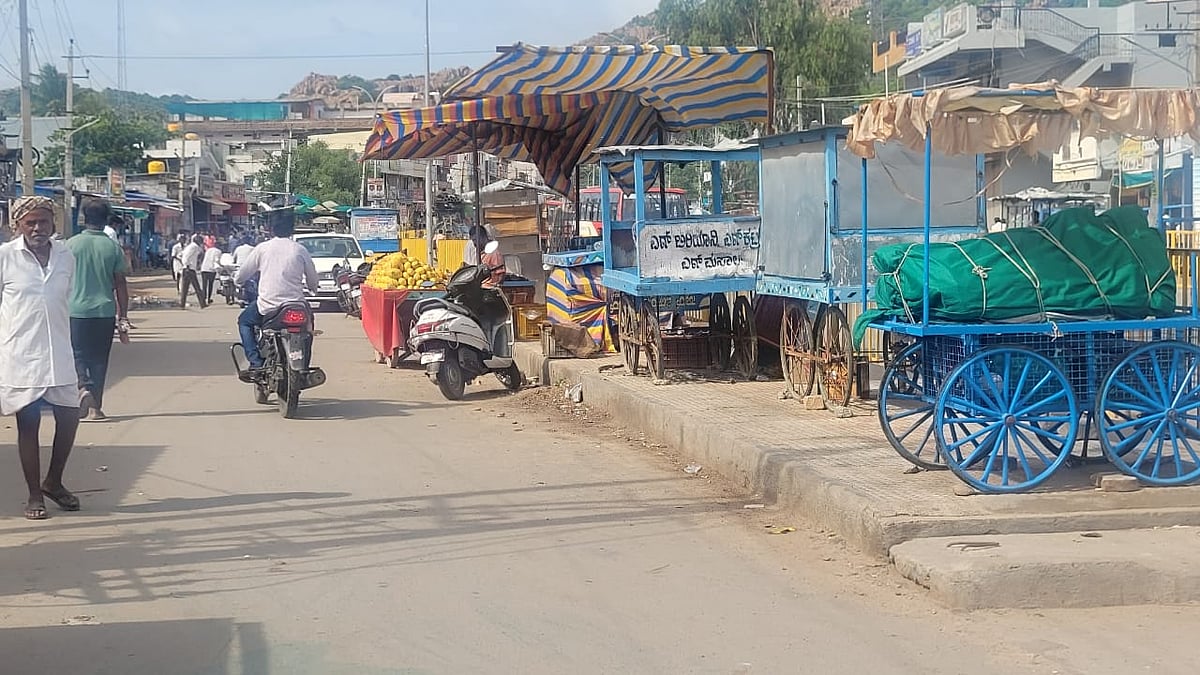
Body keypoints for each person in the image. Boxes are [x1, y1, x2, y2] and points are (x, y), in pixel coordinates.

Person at [0, 197, 82, 519]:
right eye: (30, 222)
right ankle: (35, 495)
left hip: (59, 351)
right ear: (17, 225)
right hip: (21, 354)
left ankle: (54, 481)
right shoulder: (5, 257)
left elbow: (65, 300)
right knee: (29, 423)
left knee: (69, 417)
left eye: (43, 222)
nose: (37, 228)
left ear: (53, 224)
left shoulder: (66, 256)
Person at [67, 198, 131, 422]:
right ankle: (95, 409)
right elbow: (121, 284)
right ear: (106, 220)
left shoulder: (70, 245)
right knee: (100, 360)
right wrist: (123, 319)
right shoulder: (112, 247)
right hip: (104, 312)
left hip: (75, 311)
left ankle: (83, 386)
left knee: (76, 354)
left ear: (84, 218)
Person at [235, 217, 318, 370]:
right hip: (297, 305)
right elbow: (313, 279)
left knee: (244, 322)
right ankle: (304, 364)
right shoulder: (300, 249)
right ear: (291, 231)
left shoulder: (262, 248)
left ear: (271, 230)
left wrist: (238, 282)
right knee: (308, 330)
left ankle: (256, 362)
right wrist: (313, 288)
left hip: (268, 306)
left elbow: (243, 274)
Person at [179, 234, 206, 309]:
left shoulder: (191, 246)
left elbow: (183, 255)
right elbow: (186, 257)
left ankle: (182, 304)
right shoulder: (194, 247)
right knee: (196, 287)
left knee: (185, 288)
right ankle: (202, 303)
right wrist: (187, 265)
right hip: (189, 269)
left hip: (187, 268)